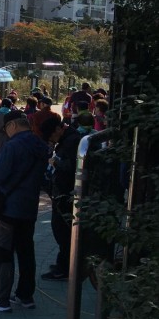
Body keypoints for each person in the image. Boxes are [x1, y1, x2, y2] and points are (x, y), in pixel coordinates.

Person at [0, 111, 50, 312]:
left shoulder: (13, 146)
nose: (6, 133)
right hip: (30, 206)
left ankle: (0, 298)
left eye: (5, 129)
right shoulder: (40, 145)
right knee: (26, 251)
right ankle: (25, 295)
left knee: (3, 252)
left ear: (13, 126)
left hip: (8, 207)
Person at [42, 112, 94, 281]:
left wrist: (56, 162)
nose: (52, 140)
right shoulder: (69, 139)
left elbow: (73, 167)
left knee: (63, 231)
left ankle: (66, 267)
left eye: (52, 136)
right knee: (61, 231)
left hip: (68, 193)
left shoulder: (72, 141)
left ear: (58, 129)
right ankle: (65, 263)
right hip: (64, 192)